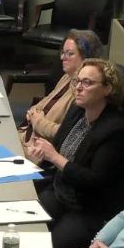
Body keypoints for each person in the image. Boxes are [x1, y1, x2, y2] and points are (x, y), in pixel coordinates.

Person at [29, 58, 124, 248]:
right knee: (24, 227)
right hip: (60, 190)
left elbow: (95, 180)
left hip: (87, 207)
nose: (78, 88)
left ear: (107, 89)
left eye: (87, 83)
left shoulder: (117, 131)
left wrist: (55, 157)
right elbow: (59, 145)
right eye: (78, 81)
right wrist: (43, 148)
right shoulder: (78, 111)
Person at [19, 29, 103, 163]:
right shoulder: (67, 77)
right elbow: (44, 103)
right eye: (63, 53)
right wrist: (34, 112)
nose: (62, 58)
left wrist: (38, 122)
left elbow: (67, 133)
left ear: (87, 58)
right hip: (27, 136)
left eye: (70, 54)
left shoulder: (83, 93)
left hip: (39, 151)